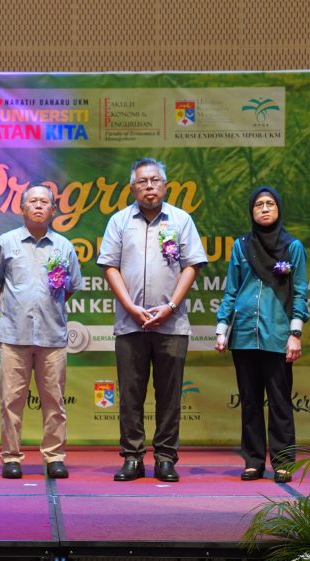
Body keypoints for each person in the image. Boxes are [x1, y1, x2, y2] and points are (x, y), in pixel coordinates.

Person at [98, 157, 207, 482]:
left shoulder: (181, 220)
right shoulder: (119, 221)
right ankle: (132, 457)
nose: (149, 186)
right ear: (133, 188)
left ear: (165, 185)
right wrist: (130, 307)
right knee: (130, 394)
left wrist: (170, 306)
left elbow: (192, 266)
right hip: (130, 323)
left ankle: (165, 458)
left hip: (171, 324)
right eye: (142, 181)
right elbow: (109, 266)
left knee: (170, 395)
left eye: (155, 180)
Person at [0, 185, 82, 479]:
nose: (38, 206)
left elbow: (71, 287)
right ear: (22, 208)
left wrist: (48, 308)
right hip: (14, 336)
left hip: (52, 337)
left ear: (53, 210)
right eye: (33, 201)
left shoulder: (64, 246)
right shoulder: (6, 243)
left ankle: (54, 456)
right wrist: (17, 309)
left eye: (44, 202)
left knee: (54, 401)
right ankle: (11, 457)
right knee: (10, 402)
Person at [215, 186, 309, 483]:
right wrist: (221, 329)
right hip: (244, 334)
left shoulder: (293, 247)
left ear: (278, 209)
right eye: (259, 205)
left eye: (270, 204)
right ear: (251, 211)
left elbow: (300, 293)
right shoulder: (241, 246)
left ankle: (283, 462)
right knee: (250, 401)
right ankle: (253, 461)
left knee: (280, 402)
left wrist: (295, 334)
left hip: (277, 335)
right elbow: (231, 291)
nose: (265, 208)